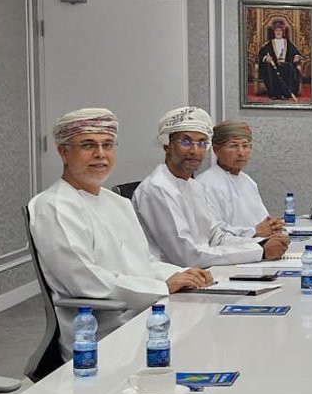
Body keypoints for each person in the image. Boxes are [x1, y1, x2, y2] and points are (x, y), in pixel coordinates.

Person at [28, 108, 213, 358]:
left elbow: (145, 261)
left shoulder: (118, 203)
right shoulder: (53, 206)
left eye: (107, 145)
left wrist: (182, 274)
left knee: (216, 328)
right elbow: (85, 281)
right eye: (88, 145)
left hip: (148, 314)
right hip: (102, 335)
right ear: (63, 152)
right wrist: (162, 287)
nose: (100, 154)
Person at [134, 107, 289, 267]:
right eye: (186, 142)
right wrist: (260, 250)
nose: (195, 150)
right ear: (167, 146)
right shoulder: (157, 188)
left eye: (202, 142)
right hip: (171, 278)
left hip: (202, 271)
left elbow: (216, 238)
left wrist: (263, 243)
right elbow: (188, 256)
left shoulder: (193, 186)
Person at [196, 119, 284, 237]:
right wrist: (254, 232)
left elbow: (262, 220)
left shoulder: (248, 182)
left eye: (245, 146)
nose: (241, 153)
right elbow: (212, 232)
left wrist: (273, 226)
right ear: (216, 150)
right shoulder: (205, 184)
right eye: (233, 146)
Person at [256, 21, 303, 100]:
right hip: (273, 66)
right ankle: (274, 94)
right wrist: (266, 58)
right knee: (270, 70)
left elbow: (295, 52)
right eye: (276, 30)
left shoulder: (287, 42)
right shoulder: (269, 44)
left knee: (290, 68)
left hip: (286, 64)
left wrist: (296, 56)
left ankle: (286, 93)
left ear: (282, 32)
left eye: (280, 30)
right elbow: (261, 54)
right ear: (274, 32)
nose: (278, 32)